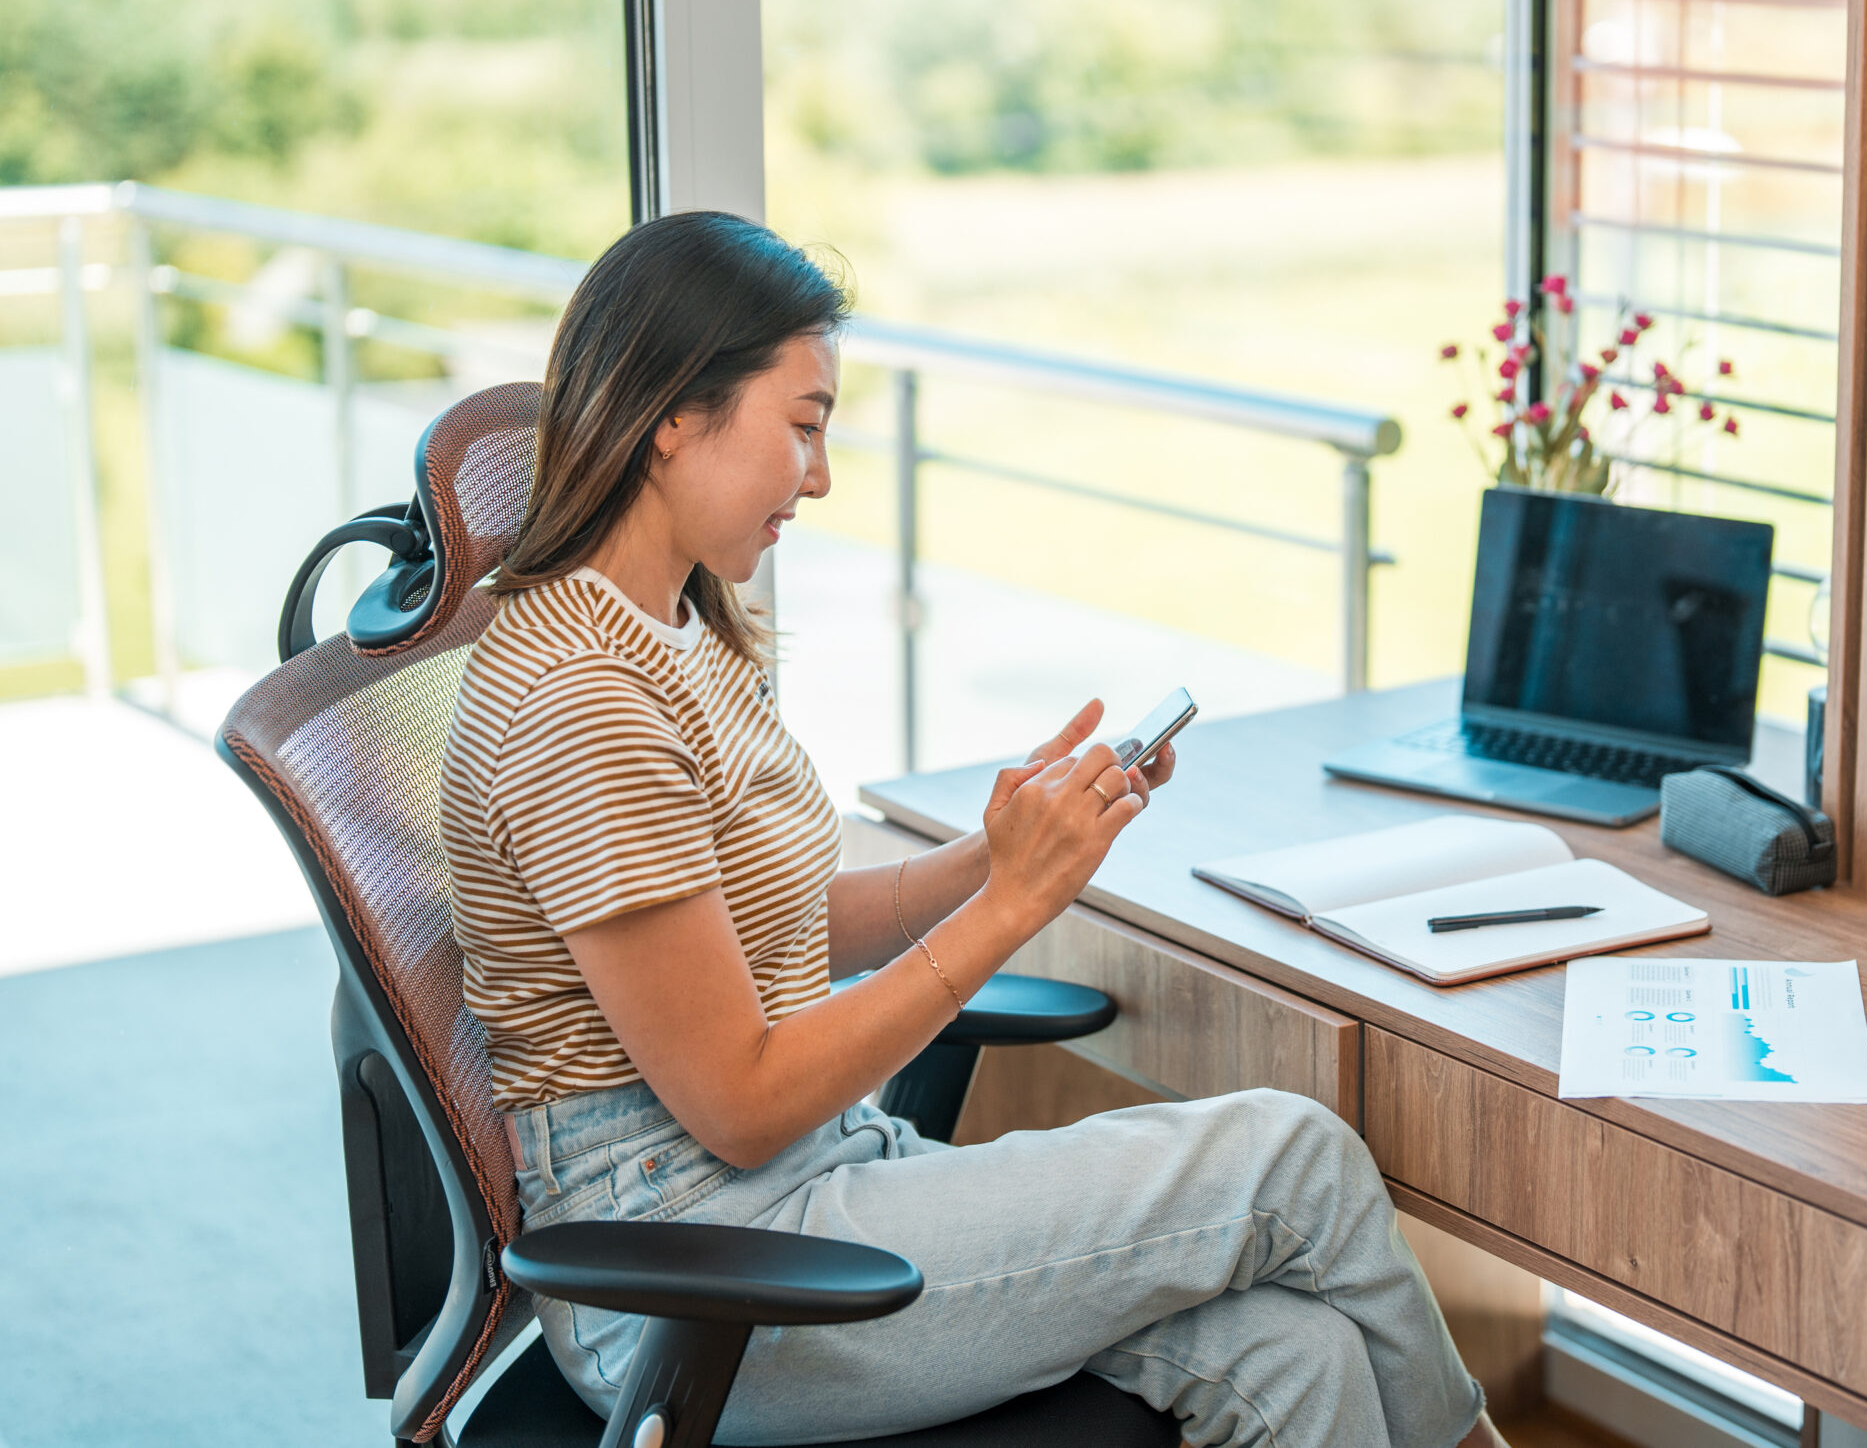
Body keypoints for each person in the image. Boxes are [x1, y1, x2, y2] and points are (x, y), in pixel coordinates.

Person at [438, 210, 1506, 1447]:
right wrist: (1014, 908)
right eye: (804, 424)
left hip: (812, 1186)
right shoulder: (584, 705)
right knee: (1293, 1159)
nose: (822, 475)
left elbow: (774, 930)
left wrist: (996, 857)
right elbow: (738, 1101)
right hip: (701, 1267)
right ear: (676, 411)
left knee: (1298, 1354)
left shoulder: (671, 628)